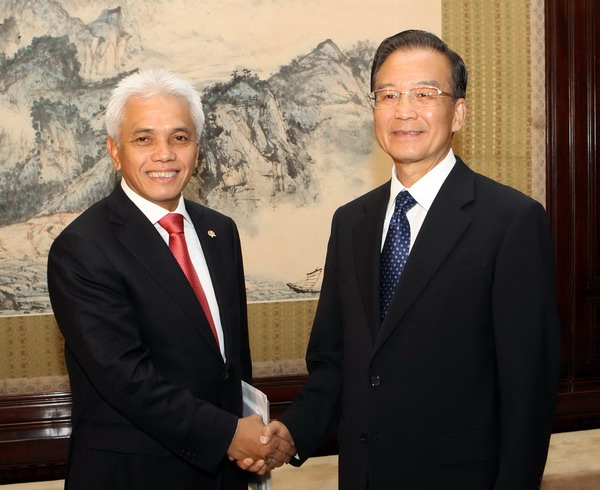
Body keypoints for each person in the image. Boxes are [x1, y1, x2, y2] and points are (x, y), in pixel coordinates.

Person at [261, 30, 560, 489]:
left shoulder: (511, 221)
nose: (405, 110)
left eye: (425, 93)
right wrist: (293, 430)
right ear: (373, 109)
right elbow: (336, 359)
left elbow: (528, 393)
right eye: (389, 94)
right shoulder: (351, 222)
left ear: (458, 111)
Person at [47, 69, 294, 489]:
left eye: (179, 138)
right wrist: (230, 436)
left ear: (197, 149)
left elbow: (231, 362)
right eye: (144, 138)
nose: (164, 154)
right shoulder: (83, 247)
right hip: (135, 474)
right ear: (114, 150)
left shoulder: (220, 231)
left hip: (225, 471)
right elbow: (125, 378)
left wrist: (254, 434)